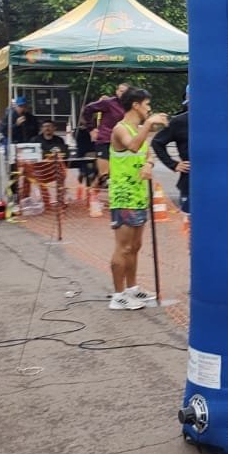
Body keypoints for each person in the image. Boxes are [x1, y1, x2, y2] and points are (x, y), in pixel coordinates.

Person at [107, 88, 169, 310]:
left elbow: (146, 152)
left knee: (135, 246)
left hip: (139, 194)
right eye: (146, 105)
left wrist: (148, 164)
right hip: (123, 196)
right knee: (123, 247)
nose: (149, 109)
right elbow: (132, 145)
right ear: (135, 105)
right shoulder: (120, 129)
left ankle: (132, 289)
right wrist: (148, 124)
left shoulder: (138, 129)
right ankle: (118, 294)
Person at [82, 82, 130, 187]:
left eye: (126, 92)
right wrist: (91, 129)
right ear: (117, 92)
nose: (123, 94)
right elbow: (88, 109)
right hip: (106, 141)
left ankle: (102, 198)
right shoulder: (109, 103)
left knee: (119, 175)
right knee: (104, 176)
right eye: (121, 91)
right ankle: (92, 197)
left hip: (122, 143)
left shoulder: (131, 106)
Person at [151, 90, 191, 216]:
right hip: (189, 184)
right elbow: (157, 142)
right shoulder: (180, 121)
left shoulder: (219, 120)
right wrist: (173, 164)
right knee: (190, 227)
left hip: (217, 184)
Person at [33, 120, 71, 209]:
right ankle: (46, 202)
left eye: (49, 126)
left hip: (55, 170)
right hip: (41, 170)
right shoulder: (35, 140)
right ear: (42, 129)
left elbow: (65, 154)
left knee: (61, 171)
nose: (47, 128)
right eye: (45, 126)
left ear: (54, 128)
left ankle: (61, 200)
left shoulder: (59, 140)